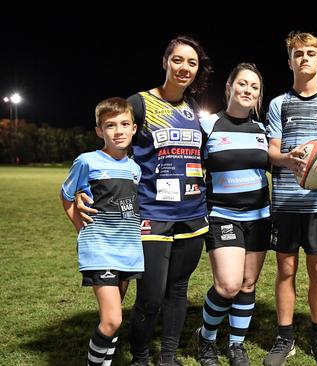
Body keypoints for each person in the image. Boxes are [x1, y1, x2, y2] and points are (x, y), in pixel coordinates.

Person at [76, 35, 213, 366]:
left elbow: (207, 154)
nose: (184, 68)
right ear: (165, 61)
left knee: (178, 291)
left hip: (192, 214)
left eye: (192, 63)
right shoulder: (139, 102)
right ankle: (140, 358)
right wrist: (85, 186)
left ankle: (167, 357)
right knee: (150, 297)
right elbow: (113, 144)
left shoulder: (195, 109)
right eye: (178, 60)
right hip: (151, 214)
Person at [263, 31, 317, 366]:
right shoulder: (278, 103)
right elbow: (272, 150)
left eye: (311, 53)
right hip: (285, 201)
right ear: (290, 61)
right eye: (298, 54)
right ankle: (285, 339)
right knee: (285, 269)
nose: (305, 58)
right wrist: (287, 158)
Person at [195, 63, 269, 366]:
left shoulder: (262, 130)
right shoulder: (209, 125)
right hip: (222, 215)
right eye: (242, 84)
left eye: (254, 86)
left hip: (259, 216)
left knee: (248, 284)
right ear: (229, 88)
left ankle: (236, 345)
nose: (247, 90)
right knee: (228, 285)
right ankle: (206, 338)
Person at [61, 97, 143, 366]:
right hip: (101, 248)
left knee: (113, 318)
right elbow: (66, 195)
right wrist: (83, 231)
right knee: (112, 319)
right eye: (110, 125)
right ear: (99, 131)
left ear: (133, 128)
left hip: (129, 250)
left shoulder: (134, 169)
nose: (118, 131)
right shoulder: (87, 161)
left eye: (124, 124)